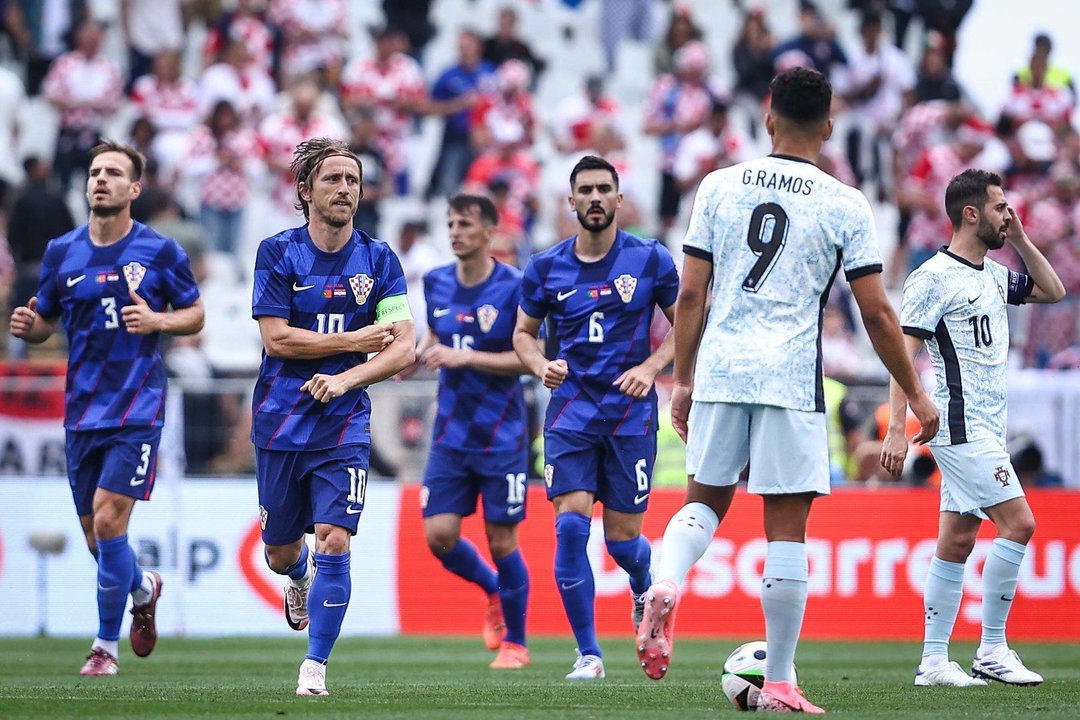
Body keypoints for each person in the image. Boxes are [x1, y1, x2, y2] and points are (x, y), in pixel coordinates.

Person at [633, 68, 939, 713]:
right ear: (828, 127)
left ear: (768, 118)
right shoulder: (844, 202)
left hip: (720, 365)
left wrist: (683, 379)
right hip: (790, 374)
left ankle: (664, 581)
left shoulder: (719, 186)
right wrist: (912, 394)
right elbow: (878, 315)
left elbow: (690, 293)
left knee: (704, 502)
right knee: (786, 533)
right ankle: (777, 681)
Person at [8, 141, 205, 676]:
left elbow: (195, 313)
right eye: (95, 172)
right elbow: (48, 316)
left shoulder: (160, 251)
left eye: (114, 173)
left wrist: (160, 322)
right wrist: (34, 326)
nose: (100, 179)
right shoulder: (61, 251)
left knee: (109, 519)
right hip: (81, 413)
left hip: (137, 408)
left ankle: (103, 647)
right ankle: (144, 587)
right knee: (98, 541)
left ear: (134, 189)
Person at [881, 168, 1065, 687]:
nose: (1008, 214)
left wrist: (1022, 238)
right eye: (1001, 207)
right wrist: (898, 426)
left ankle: (934, 662)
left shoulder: (993, 273)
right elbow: (902, 354)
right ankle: (992, 648)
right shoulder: (933, 277)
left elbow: (1053, 291)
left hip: (987, 424)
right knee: (1021, 524)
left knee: (958, 541)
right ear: (971, 213)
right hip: (959, 425)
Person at [250, 137, 415, 697]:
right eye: (333, 180)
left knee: (336, 540)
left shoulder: (380, 259)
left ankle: (314, 667)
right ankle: (298, 578)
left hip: (344, 424)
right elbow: (276, 339)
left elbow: (403, 347)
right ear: (305, 191)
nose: (345, 189)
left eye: (353, 180)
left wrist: (347, 378)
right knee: (279, 554)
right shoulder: (278, 253)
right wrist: (351, 341)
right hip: (278, 420)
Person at [513, 155, 679, 680]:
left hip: (630, 416)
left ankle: (640, 587)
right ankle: (589, 655)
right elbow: (522, 334)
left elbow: (689, 323)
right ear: (571, 201)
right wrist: (541, 364)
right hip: (570, 415)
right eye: (584, 190)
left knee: (623, 542)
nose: (594, 198)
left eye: (604, 189)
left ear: (618, 199)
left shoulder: (651, 260)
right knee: (568, 528)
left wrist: (653, 367)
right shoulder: (545, 267)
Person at [411, 194, 533, 670]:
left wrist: (466, 358)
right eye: (451, 223)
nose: (455, 231)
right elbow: (437, 337)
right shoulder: (437, 282)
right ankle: (492, 591)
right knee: (438, 536)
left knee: (503, 542)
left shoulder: (514, 287)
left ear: (489, 232)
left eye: (464, 224)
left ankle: (517, 645)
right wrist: (418, 355)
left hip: (502, 435)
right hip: (450, 434)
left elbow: (529, 356)